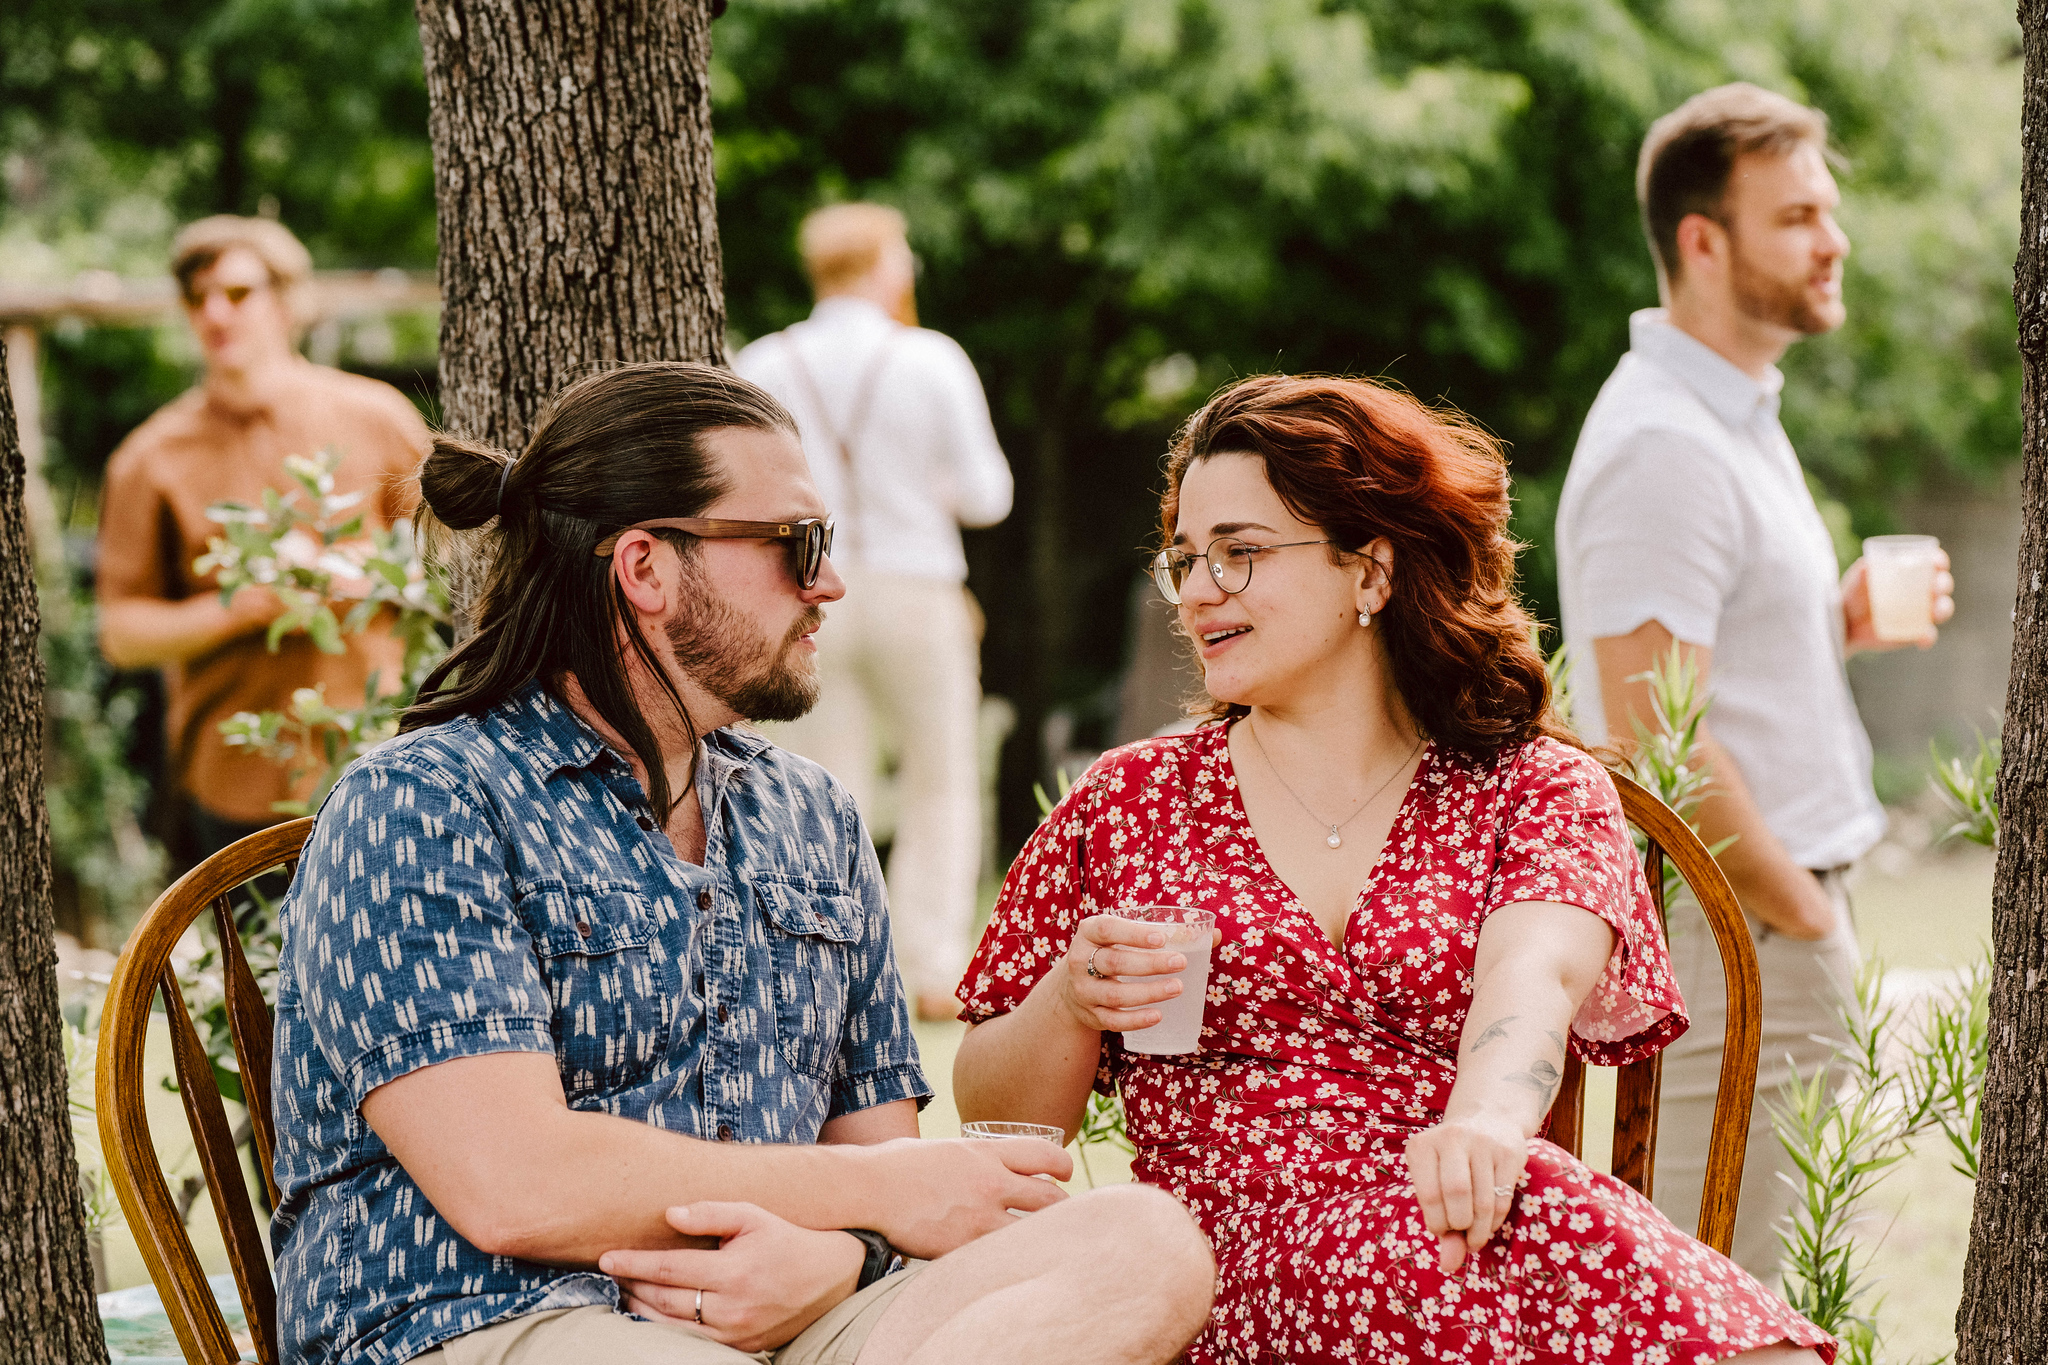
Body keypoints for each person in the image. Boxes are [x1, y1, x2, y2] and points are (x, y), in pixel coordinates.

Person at [268, 362, 1213, 1365]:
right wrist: (870, 1203)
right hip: (480, 1318)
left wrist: (842, 1257)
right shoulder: (422, 805)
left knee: (1141, 1245)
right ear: (646, 569)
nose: (829, 583)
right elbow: (513, 1185)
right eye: (796, 544)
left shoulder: (813, 818)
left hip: (793, 1323)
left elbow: (880, 1164)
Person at [951, 373, 1835, 1364]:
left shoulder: (1533, 789)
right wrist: (1070, 999)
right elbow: (999, 1119)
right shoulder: (1129, 803)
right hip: (1202, 1278)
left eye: (1239, 553)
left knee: (1522, 1214)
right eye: (1186, 559)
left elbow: (1533, 976)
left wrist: (1486, 1126)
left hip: (1456, 1224)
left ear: (1369, 570)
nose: (1197, 590)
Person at [1553, 83, 1955, 1279]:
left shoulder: (1729, 415)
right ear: (1702, 242)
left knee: (1778, 1295)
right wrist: (1796, 917)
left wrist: (1826, 626)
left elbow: (1696, 677)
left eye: (1826, 211)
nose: (1833, 241)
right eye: (1795, 218)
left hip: (1768, 924)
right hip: (1733, 937)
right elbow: (1650, 735)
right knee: (1722, 1307)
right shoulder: (1661, 444)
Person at [734, 203, 1013, 1021]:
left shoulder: (765, 360)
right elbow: (988, 495)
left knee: (824, 782)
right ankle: (930, 963)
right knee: (942, 775)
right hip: (917, 584)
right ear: (885, 264)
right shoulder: (931, 358)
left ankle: (836, 961)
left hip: (804, 587)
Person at [96, 215, 429, 860]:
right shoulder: (148, 458)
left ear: (288, 301)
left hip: (385, 757)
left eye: (238, 292)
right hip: (234, 782)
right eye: (197, 297)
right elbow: (122, 633)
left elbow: (451, 562)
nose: (215, 313)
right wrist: (249, 606)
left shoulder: (378, 416)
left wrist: (360, 569)